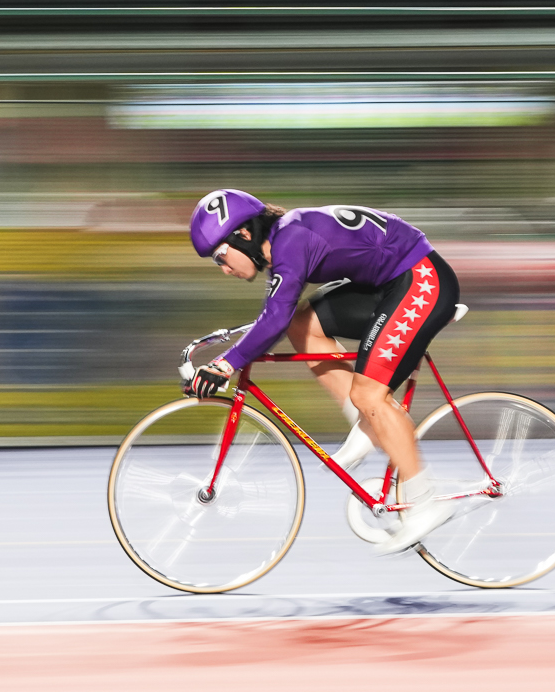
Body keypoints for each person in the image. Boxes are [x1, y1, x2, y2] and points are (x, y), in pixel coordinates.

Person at [186, 189, 469, 553]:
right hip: (394, 282)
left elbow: (272, 318)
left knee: (369, 394)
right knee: (302, 325)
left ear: (244, 234)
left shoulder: (291, 241)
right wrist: (226, 351)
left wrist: (224, 364)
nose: (223, 268)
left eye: (220, 256)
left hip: (422, 282)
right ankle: (368, 421)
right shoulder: (286, 236)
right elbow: (279, 315)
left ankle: (426, 499)